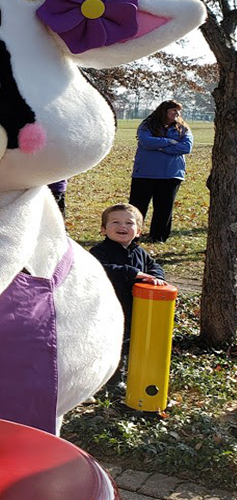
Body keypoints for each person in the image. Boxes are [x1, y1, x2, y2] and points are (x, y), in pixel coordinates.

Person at [90, 203, 165, 381]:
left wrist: (155, 276)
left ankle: (129, 377)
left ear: (138, 231)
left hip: (134, 310)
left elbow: (155, 266)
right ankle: (110, 382)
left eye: (129, 223)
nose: (122, 226)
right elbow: (102, 269)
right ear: (103, 229)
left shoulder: (140, 253)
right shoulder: (99, 252)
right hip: (107, 309)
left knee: (130, 345)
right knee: (110, 345)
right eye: (115, 222)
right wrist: (133, 273)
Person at [129, 100, 193, 242]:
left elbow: (186, 147)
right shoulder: (148, 125)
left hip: (171, 174)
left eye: (178, 111)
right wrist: (169, 142)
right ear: (164, 111)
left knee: (164, 208)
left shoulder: (182, 128)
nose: (177, 114)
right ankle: (132, 235)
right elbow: (146, 141)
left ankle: (158, 237)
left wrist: (159, 146)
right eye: (174, 111)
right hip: (145, 173)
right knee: (138, 207)